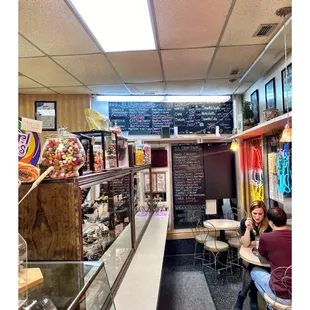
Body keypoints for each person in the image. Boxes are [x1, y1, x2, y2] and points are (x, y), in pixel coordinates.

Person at [250, 207, 292, 309]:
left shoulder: (266, 237)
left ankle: (271, 305)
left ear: (270, 222)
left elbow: (262, 259)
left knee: (253, 272)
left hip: (281, 296)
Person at [234, 200, 272, 310]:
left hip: (264, 256)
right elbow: (246, 244)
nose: (257, 217)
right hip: (249, 256)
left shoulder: (268, 223)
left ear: (264, 213)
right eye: (255, 213)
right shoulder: (245, 222)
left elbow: (267, 242)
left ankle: (244, 296)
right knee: (250, 265)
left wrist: (254, 242)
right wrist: (247, 229)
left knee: (253, 267)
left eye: (260, 214)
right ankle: (248, 296)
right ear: (251, 213)